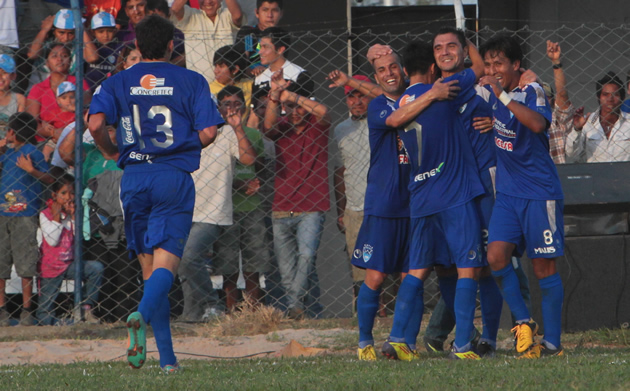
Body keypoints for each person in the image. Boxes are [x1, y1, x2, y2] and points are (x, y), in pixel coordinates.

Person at [88, 15, 223, 372]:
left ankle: (167, 361)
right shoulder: (191, 80)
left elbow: (96, 123)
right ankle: (140, 316)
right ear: (170, 46)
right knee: (167, 266)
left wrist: (109, 151)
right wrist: (182, 147)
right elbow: (209, 131)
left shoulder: (117, 81)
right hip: (172, 178)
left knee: (149, 270)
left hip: (133, 177)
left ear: (136, 47)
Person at [379, 37, 486, 361]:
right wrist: (465, 42)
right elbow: (479, 69)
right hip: (454, 194)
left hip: (421, 198)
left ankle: (398, 337)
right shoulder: (446, 87)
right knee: (468, 267)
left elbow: (395, 122)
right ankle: (464, 345)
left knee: (417, 271)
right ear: (431, 67)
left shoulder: (402, 101)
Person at [480, 35, 565, 358]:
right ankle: (525, 322)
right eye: (488, 64)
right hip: (508, 195)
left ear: (516, 65)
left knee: (543, 268)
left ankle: (553, 343)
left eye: (498, 63)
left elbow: (536, 123)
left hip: (539, 193)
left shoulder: (532, 90)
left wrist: (501, 95)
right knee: (496, 257)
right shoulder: (491, 93)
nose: (491, 70)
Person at [178, 85, 256, 320]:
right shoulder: (187, 133)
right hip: (184, 209)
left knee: (190, 256)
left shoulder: (227, 133)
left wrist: (239, 127)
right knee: (183, 264)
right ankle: (192, 313)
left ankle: (213, 305)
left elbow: (248, 158)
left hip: (213, 211)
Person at [262, 71, 330, 320]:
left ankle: (294, 308)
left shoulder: (317, 126)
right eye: (288, 107)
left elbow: (323, 111)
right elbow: (267, 127)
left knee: (307, 256)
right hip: (281, 206)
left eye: (297, 106)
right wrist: (275, 96)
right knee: (287, 269)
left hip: (312, 205)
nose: (294, 112)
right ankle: (303, 311)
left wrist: (293, 96)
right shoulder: (281, 128)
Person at [0, 112, 53, 327]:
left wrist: (31, 171)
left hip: (25, 215)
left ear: (14, 131)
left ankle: (26, 309)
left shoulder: (33, 153)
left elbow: (50, 179)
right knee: (2, 263)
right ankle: (2, 310)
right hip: (4, 214)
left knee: (25, 265)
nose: (6, 133)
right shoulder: (7, 154)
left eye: (9, 130)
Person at [36, 174, 105, 326]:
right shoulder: (45, 214)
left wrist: (73, 217)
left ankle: (86, 307)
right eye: (63, 193)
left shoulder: (71, 214)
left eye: (71, 193)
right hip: (51, 267)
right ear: (54, 195)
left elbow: (77, 238)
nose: (68, 197)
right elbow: (52, 240)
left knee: (96, 268)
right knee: (44, 314)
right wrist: (56, 217)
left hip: (69, 264)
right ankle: (51, 322)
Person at [25, 43, 91, 151]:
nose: (59, 59)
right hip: (46, 140)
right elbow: (32, 123)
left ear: (70, 61)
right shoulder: (38, 89)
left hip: (77, 137)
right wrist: (54, 133)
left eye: (64, 56)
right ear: (47, 62)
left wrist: (67, 133)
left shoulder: (80, 83)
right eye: (54, 56)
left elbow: (87, 109)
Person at [170, 0, 244, 84]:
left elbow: (237, 17)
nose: (208, 1)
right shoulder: (191, 16)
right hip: (200, 86)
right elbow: (175, 9)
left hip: (228, 86)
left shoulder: (227, 14)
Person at [565, 71, 630, 163]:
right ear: (598, 97)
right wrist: (577, 130)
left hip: (624, 176)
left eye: (615, 94)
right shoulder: (586, 122)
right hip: (596, 175)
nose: (610, 99)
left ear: (622, 98)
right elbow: (571, 153)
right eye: (605, 94)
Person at [253, 27, 313, 98]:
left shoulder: (299, 74)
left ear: (280, 50)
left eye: (265, 47)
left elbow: (310, 106)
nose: (260, 52)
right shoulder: (259, 77)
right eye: (260, 47)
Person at [544, 40, 576, 164]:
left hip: (556, 177)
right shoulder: (522, 120)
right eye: (539, 96)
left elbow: (562, 95)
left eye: (546, 96)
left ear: (552, 101)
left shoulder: (556, 121)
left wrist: (556, 63)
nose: (542, 100)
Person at [235, 0, 284, 76]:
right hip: (248, 80)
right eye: (265, 10)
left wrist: (266, 71)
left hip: (275, 78)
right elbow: (240, 64)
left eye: (274, 10)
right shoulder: (248, 32)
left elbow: (281, 64)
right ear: (257, 13)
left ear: (281, 14)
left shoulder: (282, 35)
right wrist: (254, 71)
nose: (269, 15)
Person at [210, 45, 253, 120]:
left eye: (221, 66)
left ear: (235, 69)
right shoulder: (208, 89)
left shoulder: (250, 85)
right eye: (215, 66)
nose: (216, 71)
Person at [84, 12, 121, 92]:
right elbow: (92, 58)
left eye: (109, 31)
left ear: (115, 31)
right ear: (93, 32)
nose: (105, 35)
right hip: (90, 92)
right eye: (101, 31)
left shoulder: (119, 48)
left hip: (111, 91)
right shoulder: (89, 47)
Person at [0, 54, 26, 137]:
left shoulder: (19, 99)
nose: (0, 77)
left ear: (13, 76)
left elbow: (19, 128)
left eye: (4, 73)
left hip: (10, 142)